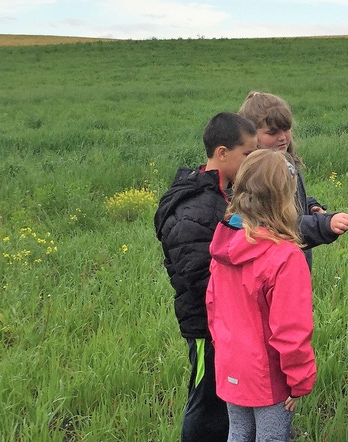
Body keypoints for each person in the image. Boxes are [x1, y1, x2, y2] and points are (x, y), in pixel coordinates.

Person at [154, 111, 258, 441]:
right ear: (222, 153)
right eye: (247, 154)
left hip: (223, 323)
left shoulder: (221, 193)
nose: (251, 162)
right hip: (204, 325)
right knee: (205, 400)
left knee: (220, 401)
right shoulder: (196, 207)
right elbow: (195, 276)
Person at [206, 148, 317, 442]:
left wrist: (227, 355)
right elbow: (290, 331)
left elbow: (213, 307)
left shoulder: (223, 247)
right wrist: (299, 382)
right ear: (285, 198)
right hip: (268, 376)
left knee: (238, 434)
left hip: (230, 365)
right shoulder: (285, 257)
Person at [238, 91, 348, 270]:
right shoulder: (257, 176)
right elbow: (276, 224)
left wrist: (310, 207)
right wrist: (325, 225)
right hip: (273, 268)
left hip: (292, 264)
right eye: (272, 132)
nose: (282, 137)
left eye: (286, 129)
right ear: (250, 134)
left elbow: (290, 204)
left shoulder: (287, 161)